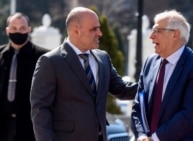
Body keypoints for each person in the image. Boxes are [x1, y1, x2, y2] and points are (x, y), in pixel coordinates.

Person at [30, 7, 137, 141]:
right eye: (94, 29)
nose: (100, 33)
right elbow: (40, 110)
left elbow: (122, 89)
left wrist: (156, 85)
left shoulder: (103, 58)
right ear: (76, 31)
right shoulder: (50, 62)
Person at [131, 10, 193, 141]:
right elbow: (139, 104)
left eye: (157, 31)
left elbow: (190, 115)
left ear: (175, 35)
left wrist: (156, 138)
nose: (151, 36)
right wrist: (141, 135)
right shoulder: (150, 62)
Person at [0, 13, 48, 141]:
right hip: (3, 127)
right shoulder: (1, 55)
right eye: (14, 28)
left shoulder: (44, 57)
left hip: (30, 128)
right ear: (7, 30)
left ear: (29, 29)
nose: (18, 32)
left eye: (22, 28)